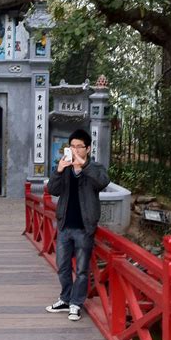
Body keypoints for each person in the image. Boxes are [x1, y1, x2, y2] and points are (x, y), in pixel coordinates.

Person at [45, 129, 110, 321]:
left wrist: (83, 166)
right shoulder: (63, 168)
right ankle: (65, 299)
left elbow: (103, 182)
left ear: (87, 148)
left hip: (84, 227)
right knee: (62, 266)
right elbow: (53, 190)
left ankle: (76, 303)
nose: (74, 150)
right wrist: (58, 170)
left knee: (81, 270)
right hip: (65, 226)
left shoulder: (95, 168)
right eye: (72, 146)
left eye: (79, 147)